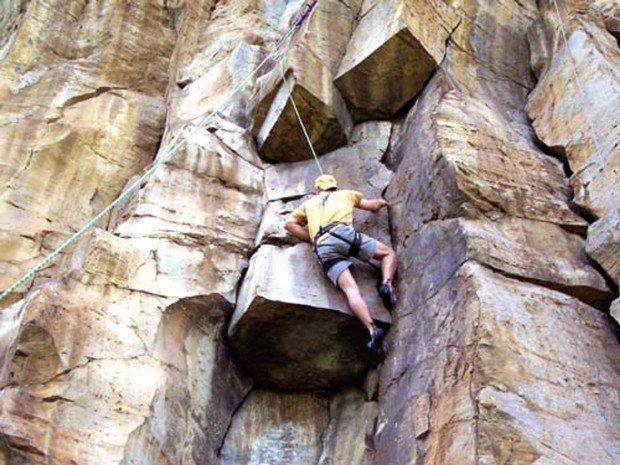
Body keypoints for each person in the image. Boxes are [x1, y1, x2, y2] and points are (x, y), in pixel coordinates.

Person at [284, 174, 397, 353]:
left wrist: (310, 238)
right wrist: (382, 202)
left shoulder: (308, 204)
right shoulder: (346, 194)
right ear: (334, 186)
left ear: (317, 189)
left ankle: (372, 329)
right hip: (343, 234)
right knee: (387, 253)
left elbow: (289, 224)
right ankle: (386, 285)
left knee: (351, 290)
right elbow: (372, 206)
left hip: (322, 246)